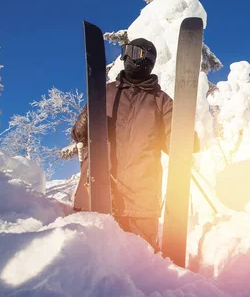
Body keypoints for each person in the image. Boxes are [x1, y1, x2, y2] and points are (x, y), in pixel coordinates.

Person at [71, 37, 198, 252]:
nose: (128, 56)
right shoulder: (105, 92)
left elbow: (175, 145)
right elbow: (78, 134)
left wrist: (188, 139)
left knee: (140, 265)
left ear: (148, 60)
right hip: (96, 192)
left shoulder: (161, 102)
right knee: (86, 268)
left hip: (141, 200)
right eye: (126, 50)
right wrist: (84, 123)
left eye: (135, 52)